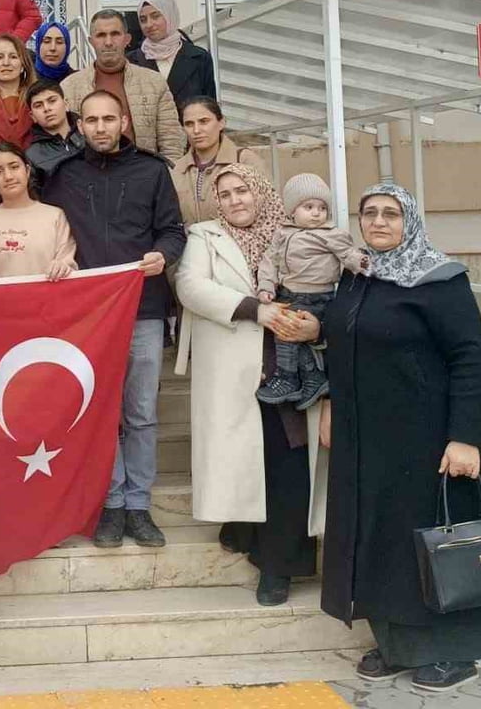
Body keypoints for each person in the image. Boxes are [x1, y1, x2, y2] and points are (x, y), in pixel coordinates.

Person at [321, 183, 481, 696]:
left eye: (390, 214)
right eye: (369, 213)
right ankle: (398, 644)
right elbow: (342, 345)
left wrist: (465, 438)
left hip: (426, 438)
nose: (377, 222)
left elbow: (469, 357)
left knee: (428, 539)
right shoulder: (359, 276)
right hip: (366, 438)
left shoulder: (439, 280)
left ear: (409, 220)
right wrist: (331, 402)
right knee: (381, 539)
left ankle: (454, 651)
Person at [173, 163, 327, 608]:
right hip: (234, 367)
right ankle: (242, 528)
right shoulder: (205, 236)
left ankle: (278, 567)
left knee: (287, 464)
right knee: (242, 459)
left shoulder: (294, 233)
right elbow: (191, 287)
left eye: (243, 190)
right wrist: (253, 310)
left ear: (261, 192)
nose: (236, 199)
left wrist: (313, 321)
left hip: (293, 369)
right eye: (225, 194)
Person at [42, 90, 187, 550]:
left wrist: (163, 256)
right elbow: (45, 225)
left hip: (142, 307)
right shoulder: (62, 175)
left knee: (140, 414)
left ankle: (140, 506)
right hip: (87, 315)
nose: (101, 127)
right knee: (100, 414)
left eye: (109, 119)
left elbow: (173, 230)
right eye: (92, 120)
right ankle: (112, 504)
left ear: (123, 121)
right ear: (79, 124)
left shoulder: (152, 171)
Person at [256, 173, 366, 409]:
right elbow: (269, 262)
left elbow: (348, 253)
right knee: (292, 332)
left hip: (316, 295)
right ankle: (312, 377)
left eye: (322, 208)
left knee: (286, 331)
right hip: (288, 292)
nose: (317, 213)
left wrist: (361, 263)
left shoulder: (330, 234)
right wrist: (265, 286)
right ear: (292, 211)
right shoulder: (282, 234)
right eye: (309, 207)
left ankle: (288, 378)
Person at [61, 11, 184, 164]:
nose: (108, 42)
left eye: (115, 34)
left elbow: (172, 141)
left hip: (143, 177)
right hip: (88, 179)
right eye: (101, 35)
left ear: (127, 39)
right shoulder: (70, 86)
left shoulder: (153, 82)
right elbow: (63, 142)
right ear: (90, 41)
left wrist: (164, 179)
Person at [0, 143, 77, 279]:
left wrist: (62, 266)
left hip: (45, 299)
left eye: (14, 167)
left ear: (27, 171)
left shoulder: (54, 216)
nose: (8, 176)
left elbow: (67, 264)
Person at [171, 96, 270, 224]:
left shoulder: (245, 161)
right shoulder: (177, 170)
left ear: (221, 122)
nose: (196, 130)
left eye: (204, 121)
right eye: (189, 124)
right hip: (191, 243)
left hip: (239, 242)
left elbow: (269, 211)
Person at [128, 0, 217, 110]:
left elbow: (210, 107)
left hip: (189, 127)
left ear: (170, 15)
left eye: (155, 16)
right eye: (143, 20)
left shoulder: (199, 58)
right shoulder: (131, 61)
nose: (149, 24)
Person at [26, 80, 81, 181]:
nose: (46, 108)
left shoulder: (89, 135)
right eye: (39, 105)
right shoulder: (32, 156)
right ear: (32, 116)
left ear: (66, 104)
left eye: (52, 101)